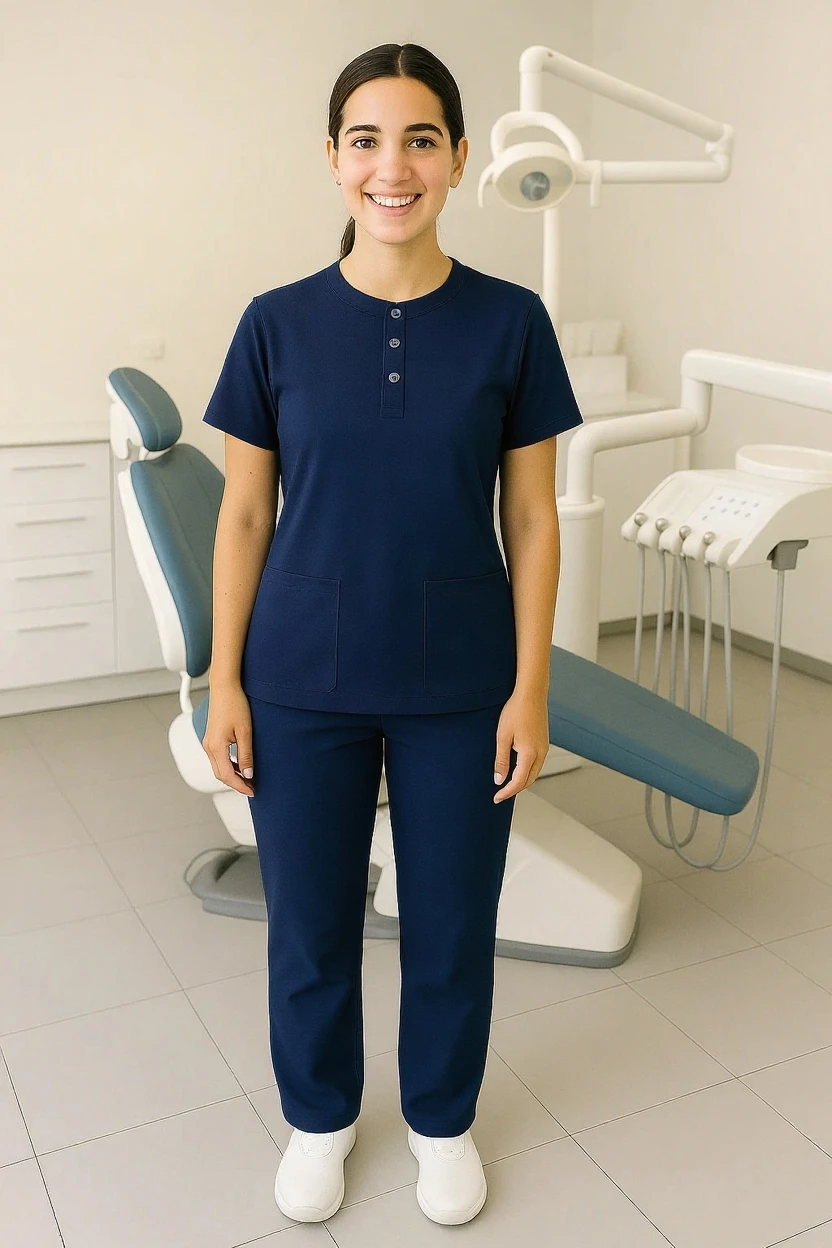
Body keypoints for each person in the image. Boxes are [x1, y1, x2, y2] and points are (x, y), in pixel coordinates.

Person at [201, 41, 583, 1227]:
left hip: (461, 683)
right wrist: (225, 679)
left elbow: (530, 514)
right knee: (310, 923)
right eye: (366, 139)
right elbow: (245, 512)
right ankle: (319, 1122)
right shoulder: (274, 325)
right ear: (332, 159)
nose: (392, 166)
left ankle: (440, 1125)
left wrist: (530, 687)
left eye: (420, 138)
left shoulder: (511, 324)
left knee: (452, 924)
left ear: (459, 159)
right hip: (300, 678)